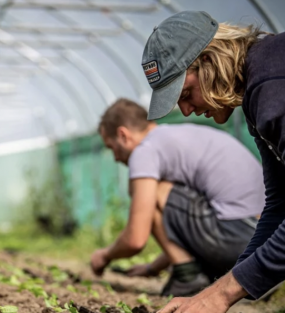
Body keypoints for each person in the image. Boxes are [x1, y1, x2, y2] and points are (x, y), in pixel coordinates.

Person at [141, 10, 283, 313]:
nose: (186, 111)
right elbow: (279, 204)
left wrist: (220, 295)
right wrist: (217, 291)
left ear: (208, 61)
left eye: (185, 94)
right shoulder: (255, 96)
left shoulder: (272, 84)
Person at [90, 99, 264, 298]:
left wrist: (105, 255)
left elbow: (135, 240)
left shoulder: (145, 150)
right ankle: (192, 271)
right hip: (262, 248)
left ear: (123, 135)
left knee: (153, 191)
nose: (115, 158)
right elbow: (186, 232)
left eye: (112, 147)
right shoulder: (174, 137)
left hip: (238, 239)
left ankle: (187, 277)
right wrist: (152, 268)